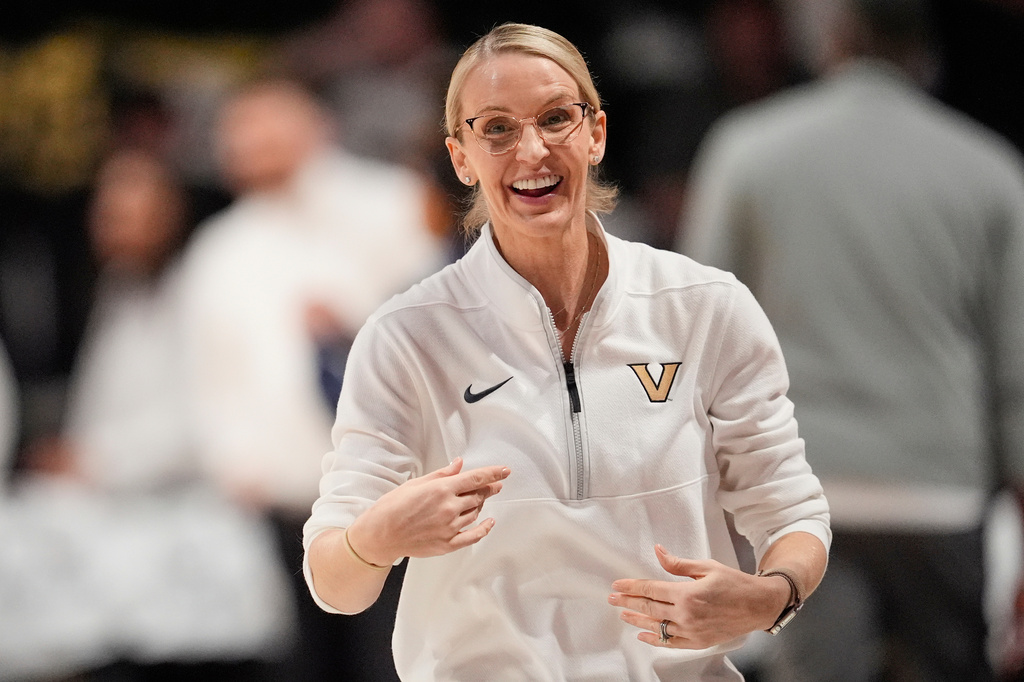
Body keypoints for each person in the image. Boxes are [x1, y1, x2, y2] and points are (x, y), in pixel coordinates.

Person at [302, 23, 830, 680]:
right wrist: (374, 538)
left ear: (596, 133)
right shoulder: (406, 334)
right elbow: (336, 584)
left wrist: (769, 598)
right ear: (460, 156)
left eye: (555, 118)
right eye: (495, 128)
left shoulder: (704, 305)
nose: (532, 150)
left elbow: (791, 509)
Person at [677, 0, 1024, 679]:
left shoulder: (747, 149)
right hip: (941, 490)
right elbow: (1017, 373)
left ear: (834, 40)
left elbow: (697, 336)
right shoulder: (991, 169)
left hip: (805, 493)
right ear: (924, 56)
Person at [178, 79, 447, 681]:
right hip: (283, 502)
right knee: (307, 664)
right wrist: (231, 461)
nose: (255, 143)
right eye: (240, 132)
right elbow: (210, 376)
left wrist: (350, 321)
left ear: (316, 124)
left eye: (270, 124)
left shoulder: (393, 202)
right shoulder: (218, 249)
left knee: (399, 659)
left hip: (392, 491)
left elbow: (438, 317)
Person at [0, 149, 291, 681]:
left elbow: (204, 419)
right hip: (114, 502)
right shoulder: (119, 289)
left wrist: (96, 461)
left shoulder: (200, 290)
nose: (113, 225)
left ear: (169, 214)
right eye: (106, 212)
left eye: (130, 211)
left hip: (186, 507)